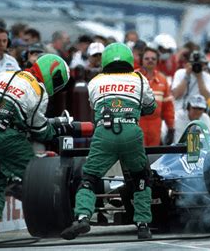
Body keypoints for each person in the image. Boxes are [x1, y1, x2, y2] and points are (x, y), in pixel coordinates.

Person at [60, 43, 157, 240]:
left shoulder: (95, 81)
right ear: (129, 59)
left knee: (89, 178)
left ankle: (83, 217)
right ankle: (143, 225)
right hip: (131, 130)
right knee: (141, 178)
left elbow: (94, 106)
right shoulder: (140, 79)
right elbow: (151, 107)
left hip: (104, 132)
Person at [0, 54, 71, 239]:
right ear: (54, 75)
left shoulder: (4, 74)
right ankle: (53, 221)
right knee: (37, 175)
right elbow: (39, 129)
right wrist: (57, 129)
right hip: (6, 135)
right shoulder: (38, 90)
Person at [137, 46, 175, 146]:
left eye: (153, 59)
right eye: (147, 58)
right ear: (141, 60)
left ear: (157, 61)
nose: (150, 61)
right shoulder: (134, 77)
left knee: (154, 157)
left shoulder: (162, 80)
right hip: (137, 124)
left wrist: (171, 128)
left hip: (156, 125)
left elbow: (168, 107)